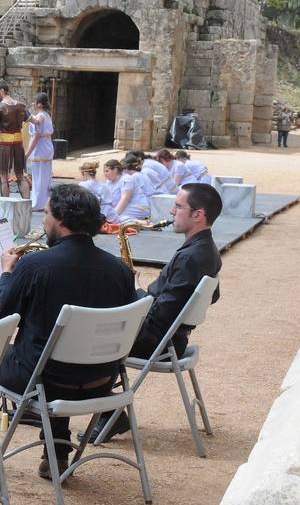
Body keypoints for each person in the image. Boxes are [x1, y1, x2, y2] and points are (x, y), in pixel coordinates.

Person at [0, 184, 136, 479]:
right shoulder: (120, 271)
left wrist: (9, 274)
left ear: (61, 220)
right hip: (102, 380)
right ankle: (56, 454)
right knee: (56, 352)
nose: (44, 220)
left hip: (46, 381)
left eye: (46, 213)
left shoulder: (34, 266)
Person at [89, 184, 222, 442]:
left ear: (198, 215)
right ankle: (110, 413)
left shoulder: (191, 257)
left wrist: (137, 291)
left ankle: (109, 414)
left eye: (179, 206)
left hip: (159, 341)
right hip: (172, 337)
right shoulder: (205, 249)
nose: (172, 211)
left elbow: (161, 315)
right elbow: (212, 295)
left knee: (93, 338)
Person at [25, 93, 54, 212]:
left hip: (40, 149)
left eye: (35, 102)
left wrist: (27, 153)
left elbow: (36, 136)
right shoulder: (45, 115)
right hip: (46, 148)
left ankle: (38, 203)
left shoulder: (39, 117)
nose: (33, 104)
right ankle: (44, 202)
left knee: (38, 178)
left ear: (40, 104)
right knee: (45, 178)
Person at [108, 152, 152, 223]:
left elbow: (126, 197)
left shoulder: (134, 177)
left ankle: (138, 222)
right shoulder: (138, 174)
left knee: (115, 217)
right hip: (142, 204)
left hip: (143, 206)